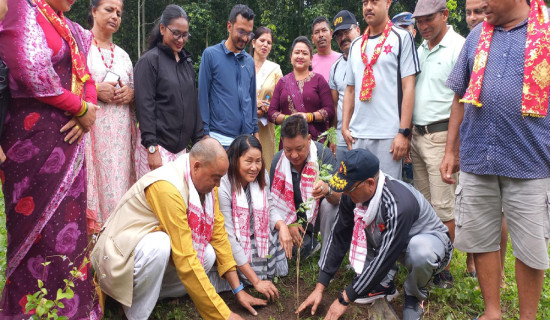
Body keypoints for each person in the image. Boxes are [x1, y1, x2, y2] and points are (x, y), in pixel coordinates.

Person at [442, 0, 550, 319]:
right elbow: (459, 96)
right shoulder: (477, 37)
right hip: (478, 157)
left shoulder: (546, 33)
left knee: (531, 248)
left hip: (530, 163)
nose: (481, 5)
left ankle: (527, 317)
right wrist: (451, 150)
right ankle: (492, 312)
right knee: (483, 238)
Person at [0, 0, 101, 317]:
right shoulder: (19, 9)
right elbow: (32, 73)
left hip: (71, 143)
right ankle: (30, 311)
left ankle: (74, 309)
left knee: (69, 232)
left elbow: (87, 78)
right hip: (31, 145)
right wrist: (82, 109)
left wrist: (89, 109)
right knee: (35, 234)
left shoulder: (72, 29)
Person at [92, 138, 266, 320]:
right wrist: (224, 315)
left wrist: (238, 290)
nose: (218, 185)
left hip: (141, 259)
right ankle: (133, 313)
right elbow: (185, 256)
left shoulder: (207, 183)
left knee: (207, 254)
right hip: (117, 260)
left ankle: (147, 297)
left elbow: (219, 236)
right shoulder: (167, 187)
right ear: (197, 166)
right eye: (216, 178)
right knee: (160, 245)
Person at [297, 149, 453, 320]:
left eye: (349, 188)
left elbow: (385, 257)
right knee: (361, 220)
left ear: (370, 183)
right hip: (396, 244)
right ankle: (384, 285)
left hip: (431, 242)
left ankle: (414, 295)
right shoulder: (355, 195)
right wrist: (320, 287)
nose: (346, 193)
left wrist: (344, 298)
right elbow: (339, 236)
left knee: (420, 252)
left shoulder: (398, 204)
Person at [410, 0, 465, 289]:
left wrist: (452, 150)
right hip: (418, 137)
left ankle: (442, 267)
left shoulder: (459, 46)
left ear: (445, 15)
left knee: (444, 210)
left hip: (442, 137)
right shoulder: (420, 49)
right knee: (425, 206)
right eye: (419, 21)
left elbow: (464, 101)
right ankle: (429, 261)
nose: (423, 25)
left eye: (429, 19)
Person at [341, 0, 420, 180]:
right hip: (357, 135)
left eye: (374, 1)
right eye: (364, 3)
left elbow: (409, 87)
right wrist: (345, 127)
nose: (368, 7)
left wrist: (403, 132)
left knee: (387, 193)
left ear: (387, 3)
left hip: (389, 136)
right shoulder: (355, 45)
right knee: (359, 194)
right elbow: (350, 89)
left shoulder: (401, 38)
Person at [462, 0, 509, 286]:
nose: (473, 18)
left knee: (499, 213)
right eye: (468, 13)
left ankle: (501, 271)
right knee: (475, 212)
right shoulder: (471, 41)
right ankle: (472, 263)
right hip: (473, 140)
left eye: (479, 11)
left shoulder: (527, 34)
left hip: (510, 144)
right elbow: (458, 94)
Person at [134, 5, 203, 179]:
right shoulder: (149, 61)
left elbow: (193, 103)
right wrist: (152, 148)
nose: (181, 39)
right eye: (176, 33)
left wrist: (200, 141)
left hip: (181, 152)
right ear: (163, 29)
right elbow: (145, 105)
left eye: (185, 34)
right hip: (157, 149)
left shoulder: (186, 63)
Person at [217, 135, 292, 293]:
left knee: (275, 232)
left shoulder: (261, 175)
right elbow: (228, 236)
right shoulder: (223, 184)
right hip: (236, 237)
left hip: (257, 231)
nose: (254, 167)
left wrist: (283, 226)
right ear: (235, 160)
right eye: (248, 161)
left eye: (258, 161)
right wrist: (256, 281)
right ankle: (248, 279)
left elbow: (269, 207)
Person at [86, 0, 137, 233]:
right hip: (90, 137)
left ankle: (116, 256)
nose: (115, 16)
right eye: (109, 10)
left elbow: (137, 95)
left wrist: (131, 94)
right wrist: (95, 90)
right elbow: (67, 86)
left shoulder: (124, 57)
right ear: (94, 11)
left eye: (119, 12)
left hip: (119, 143)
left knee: (119, 192)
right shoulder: (80, 46)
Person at [269, 116, 340, 261]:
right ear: (282, 142)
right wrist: (287, 223)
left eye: (299, 149)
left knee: (329, 205)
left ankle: (327, 253)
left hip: (319, 218)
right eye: (288, 150)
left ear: (309, 139)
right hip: (293, 221)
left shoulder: (322, 156)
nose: (294, 155)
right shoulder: (278, 161)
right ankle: (306, 242)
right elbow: (271, 202)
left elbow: (340, 197)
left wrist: (328, 190)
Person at [199, 4, 258, 148]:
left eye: (249, 33)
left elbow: (251, 99)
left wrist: (255, 133)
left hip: (246, 141)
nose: (245, 38)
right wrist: (205, 134)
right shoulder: (211, 55)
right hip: (219, 139)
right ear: (229, 26)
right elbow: (203, 97)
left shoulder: (249, 61)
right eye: (241, 31)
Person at [268, 36, 335, 143]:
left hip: (314, 141)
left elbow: (329, 110)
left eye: (304, 53)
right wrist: (288, 119)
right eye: (297, 52)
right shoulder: (282, 82)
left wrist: (309, 117)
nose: (300, 56)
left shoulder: (319, 80)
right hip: (289, 141)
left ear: (311, 59)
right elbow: (271, 113)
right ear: (291, 57)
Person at [328, 10, 361, 162]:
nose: (343, 38)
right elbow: (334, 106)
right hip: (343, 135)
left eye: (346, 31)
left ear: (358, 30)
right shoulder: (335, 68)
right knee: (343, 181)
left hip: (369, 132)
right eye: (339, 35)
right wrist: (333, 136)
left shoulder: (373, 58)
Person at [251, 27, 282, 170]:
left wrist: (265, 109)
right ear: (253, 42)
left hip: (265, 126)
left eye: (269, 43)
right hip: (243, 124)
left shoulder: (275, 69)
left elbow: (280, 100)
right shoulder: (243, 64)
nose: (265, 45)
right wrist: (252, 106)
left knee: (265, 165)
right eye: (262, 40)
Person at [311, 16, 341, 81]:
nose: (321, 35)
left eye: (324, 30)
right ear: (312, 38)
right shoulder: (308, 63)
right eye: (317, 32)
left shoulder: (342, 59)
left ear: (331, 34)